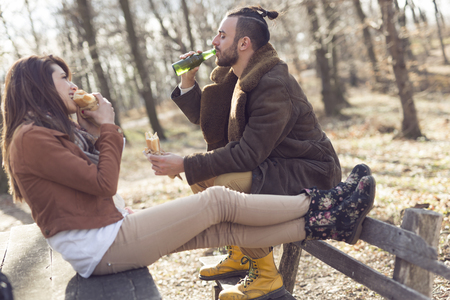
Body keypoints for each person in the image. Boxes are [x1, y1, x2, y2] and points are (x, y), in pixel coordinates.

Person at [2, 55, 375, 300]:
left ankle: (330, 221)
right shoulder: (31, 137)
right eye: (62, 79)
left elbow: (92, 180)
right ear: (38, 88)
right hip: (100, 247)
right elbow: (104, 183)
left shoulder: (48, 131)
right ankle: (326, 202)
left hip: (106, 236)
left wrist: (96, 131)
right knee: (217, 202)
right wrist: (108, 129)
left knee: (229, 229)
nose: (72, 85)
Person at [147, 5, 344, 298]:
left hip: (310, 171)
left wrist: (185, 164)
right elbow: (211, 122)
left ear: (244, 43)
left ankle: (265, 275)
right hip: (277, 165)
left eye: (222, 35)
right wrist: (188, 81)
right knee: (203, 180)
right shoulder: (238, 76)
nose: (214, 41)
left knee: (225, 189)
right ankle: (240, 253)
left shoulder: (273, 84)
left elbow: (246, 155)